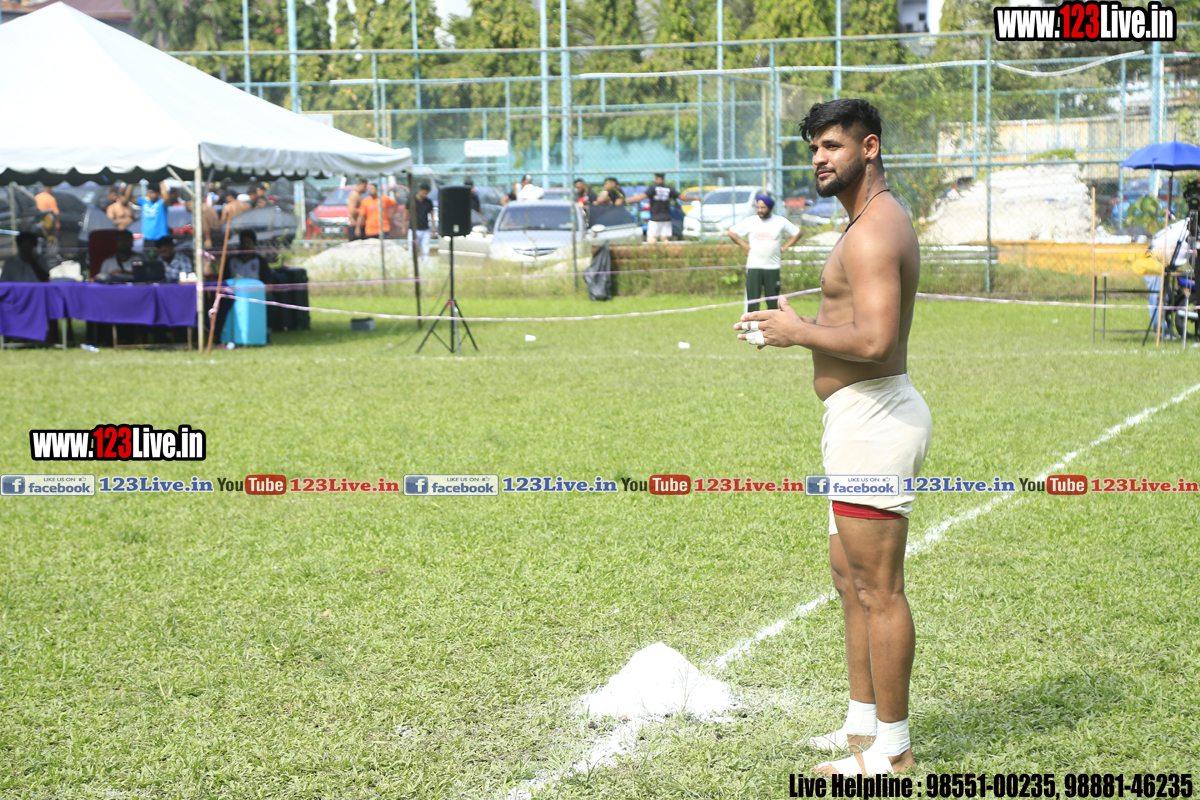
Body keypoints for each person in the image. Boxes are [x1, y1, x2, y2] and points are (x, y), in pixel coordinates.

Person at [734, 99, 931, 778]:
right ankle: (862, 727)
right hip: (855, 418)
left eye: (832, 146)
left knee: (878, 589)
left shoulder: (874, 229)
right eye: (814, 148)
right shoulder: (864, 221)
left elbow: (875, 341)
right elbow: (855, 327)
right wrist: (795, 329)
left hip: (876, 419)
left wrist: (798, 332)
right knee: (850, 581)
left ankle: (893, 752)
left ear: (868, 148)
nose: (819, 158)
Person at [728, 194, 802, 313]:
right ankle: (751, 324)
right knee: (752, 301)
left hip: (772, 267)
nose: (760, 210)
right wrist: (744, 245)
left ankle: (772, 324)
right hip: (754, 266)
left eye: (763, 207)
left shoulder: (780, 221)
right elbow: (731, 232)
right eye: (758, 207)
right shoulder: (751, 221)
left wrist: (785, 247)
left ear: (770, 208)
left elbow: (797, 233)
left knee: (772, 302)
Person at [627, 173, 698, 244]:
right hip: (666, 218)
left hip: (655, 218)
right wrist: (694, 198)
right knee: (665, 240)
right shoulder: (669, 189)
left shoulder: (653, 188)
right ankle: (665, 250)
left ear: (656, 179)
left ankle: (653, 250)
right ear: (663, 179)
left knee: (652, 238)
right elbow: (682, 198)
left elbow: (641, 197)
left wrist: (627, 200)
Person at [411, 182, 434, 263]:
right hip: (414, 230)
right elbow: (406, 213)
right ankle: (412, 263)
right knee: (413, 248)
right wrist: (403, 227)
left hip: (425, 230)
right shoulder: (412, 200)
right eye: (424, 193)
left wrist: (433, 230)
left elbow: (432, 216)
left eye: (426, 193)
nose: (425, 195)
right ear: (419, 191)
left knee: (425, 248)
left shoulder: (428, 202)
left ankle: (425, 263)